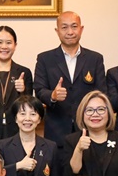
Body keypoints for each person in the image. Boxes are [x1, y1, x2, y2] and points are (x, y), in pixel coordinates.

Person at [34, 11, 107, 150]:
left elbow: (101, 92)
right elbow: (39, 90)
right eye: (64, 27)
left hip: (89, 130)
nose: (70, 32)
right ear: (57, 31)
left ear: (81, 29)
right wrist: (52, 96)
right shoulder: (45, 59)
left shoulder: (95, 59)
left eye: (74, 26)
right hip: (57, 132)